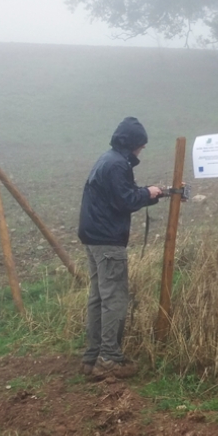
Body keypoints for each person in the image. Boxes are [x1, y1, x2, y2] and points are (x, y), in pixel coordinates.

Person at [78, 117, 162, 378]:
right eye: (141, 146)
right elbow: (125, 199)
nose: (141, 151)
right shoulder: (117, 165)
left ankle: (92, 357)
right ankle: (109, 359)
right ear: (133, 144)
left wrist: (147, 195)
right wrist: (149, 193)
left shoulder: (109, 159)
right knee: (113, 297)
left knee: (98, 297)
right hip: (107, 241)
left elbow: (120, 195)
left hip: (93, 237)